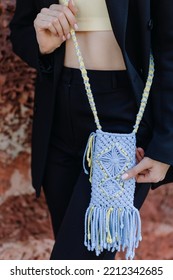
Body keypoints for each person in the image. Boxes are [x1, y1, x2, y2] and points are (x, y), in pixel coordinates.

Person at [9, 0, 173, 260]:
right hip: (57, 114)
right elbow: (20, 30)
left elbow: (169, 43)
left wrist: (167, 145)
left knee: (72, 263)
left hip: (125, 117)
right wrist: (42, 45)